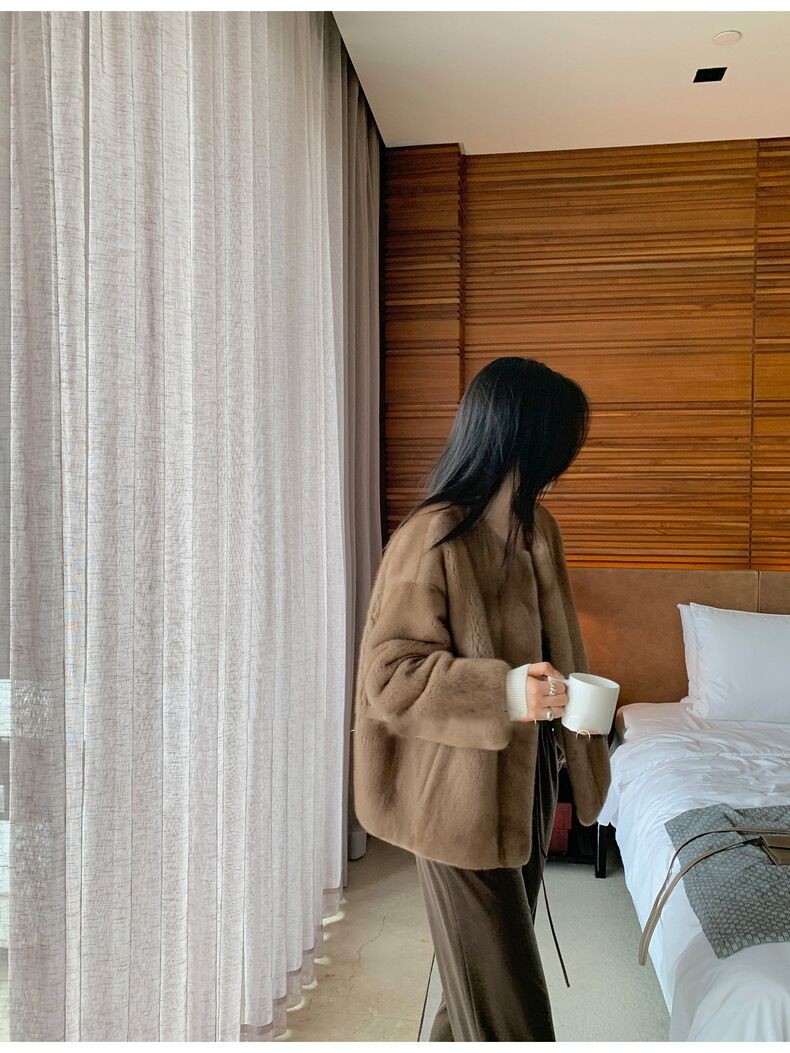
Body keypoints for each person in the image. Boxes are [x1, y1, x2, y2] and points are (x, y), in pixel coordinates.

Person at [351, 355, 612, 1041]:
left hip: (528, 786)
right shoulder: (434, 535)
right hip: (455, 801)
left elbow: (559, 650)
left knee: (475, 994)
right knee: (510, 1014)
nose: (565, 456)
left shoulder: (538, 529)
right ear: (520, 434)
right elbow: (390, 678)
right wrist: (504, 691)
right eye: (558, 436)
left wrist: (570, 712)